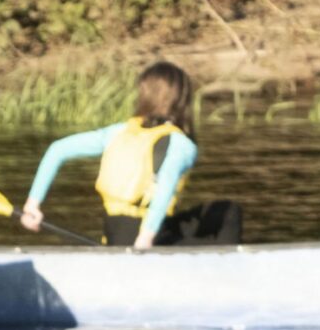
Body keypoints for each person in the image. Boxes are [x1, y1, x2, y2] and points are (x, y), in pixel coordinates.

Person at [18, 60, 242, 250]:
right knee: (231, 214)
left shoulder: (117, 132)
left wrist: (32, 205)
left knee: (224, 210)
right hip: (145, 240)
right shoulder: (181, 144)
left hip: (114, 233)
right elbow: (165, 188)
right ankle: (227, 277)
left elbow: (57, 149)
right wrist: (145, 241)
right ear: (183, 100)